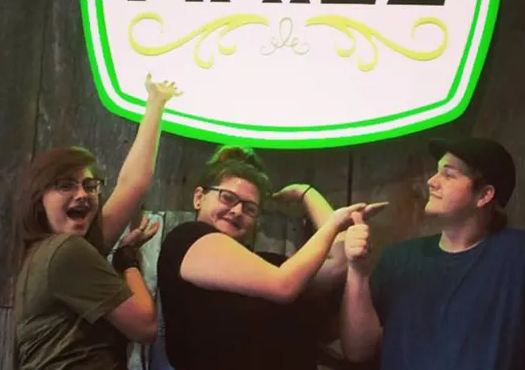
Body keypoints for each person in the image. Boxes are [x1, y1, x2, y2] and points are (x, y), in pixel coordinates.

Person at [340, 137, 525, 370]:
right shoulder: (398, 259)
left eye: (448, 174)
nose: (432, 181)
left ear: (484, 195)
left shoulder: (522, 255)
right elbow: (357, 350)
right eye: (437, 171)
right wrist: (357, 270)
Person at [156, 146, 386, 370]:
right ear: (199, 197)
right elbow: (283, 285)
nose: (237, 211)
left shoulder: (268, 265)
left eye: (250, 208)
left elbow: (340, 262)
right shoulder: (186, 240)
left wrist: (306, 193)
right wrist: (336, 222)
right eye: (227, 198)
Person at [13, 75, 180, 369]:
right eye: (65, 185)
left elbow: (132, 185)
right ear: (39, 199)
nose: (82, 195)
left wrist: (155, 103)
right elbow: (144, 326)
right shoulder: (66, 251)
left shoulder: (54, 251)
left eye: (89, 186)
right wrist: (127, 261)